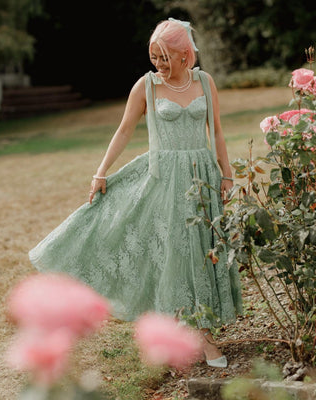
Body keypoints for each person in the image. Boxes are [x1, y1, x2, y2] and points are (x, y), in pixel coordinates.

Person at [29, 18, 243, 367]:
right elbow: (124, 130)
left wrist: (227, 174)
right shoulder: (146, 86)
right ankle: (197, 338)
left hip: (202, 176)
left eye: (165, 57)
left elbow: (217, 131)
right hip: (164, 180)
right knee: (175, 253)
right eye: (153, 56)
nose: (158, 64)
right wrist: (101, 172)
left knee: (202, 252)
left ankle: (193, 331)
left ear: (185, 54)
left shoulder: (205, 81)